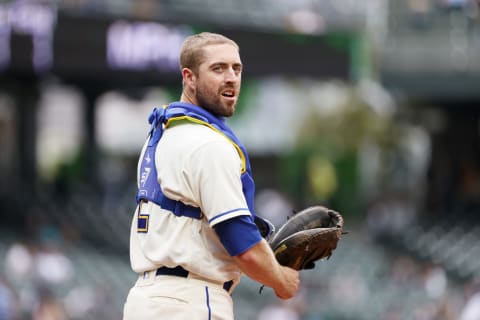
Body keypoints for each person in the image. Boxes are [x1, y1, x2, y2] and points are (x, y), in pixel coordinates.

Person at [122, 32, 300, 320]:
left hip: (148, 302)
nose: (231, 77)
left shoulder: (163, 134)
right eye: (218, 68)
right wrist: (281, 279)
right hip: (189, 301)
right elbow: (241, 244)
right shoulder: (209, 145)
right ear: (189, 78)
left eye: (236, 69)